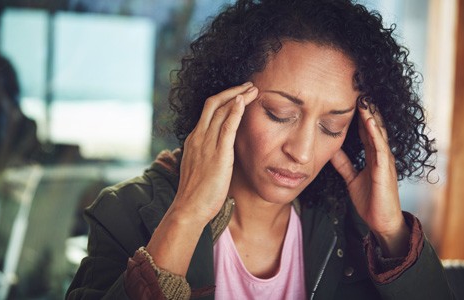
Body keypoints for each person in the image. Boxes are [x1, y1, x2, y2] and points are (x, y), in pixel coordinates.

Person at [66, 0, 454, 299]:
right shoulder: (127, 211)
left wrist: (390, 231)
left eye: (331, 126)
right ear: (226, 98)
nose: (302, 152)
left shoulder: (350, 224)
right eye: (279, 113)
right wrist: (186, 216)